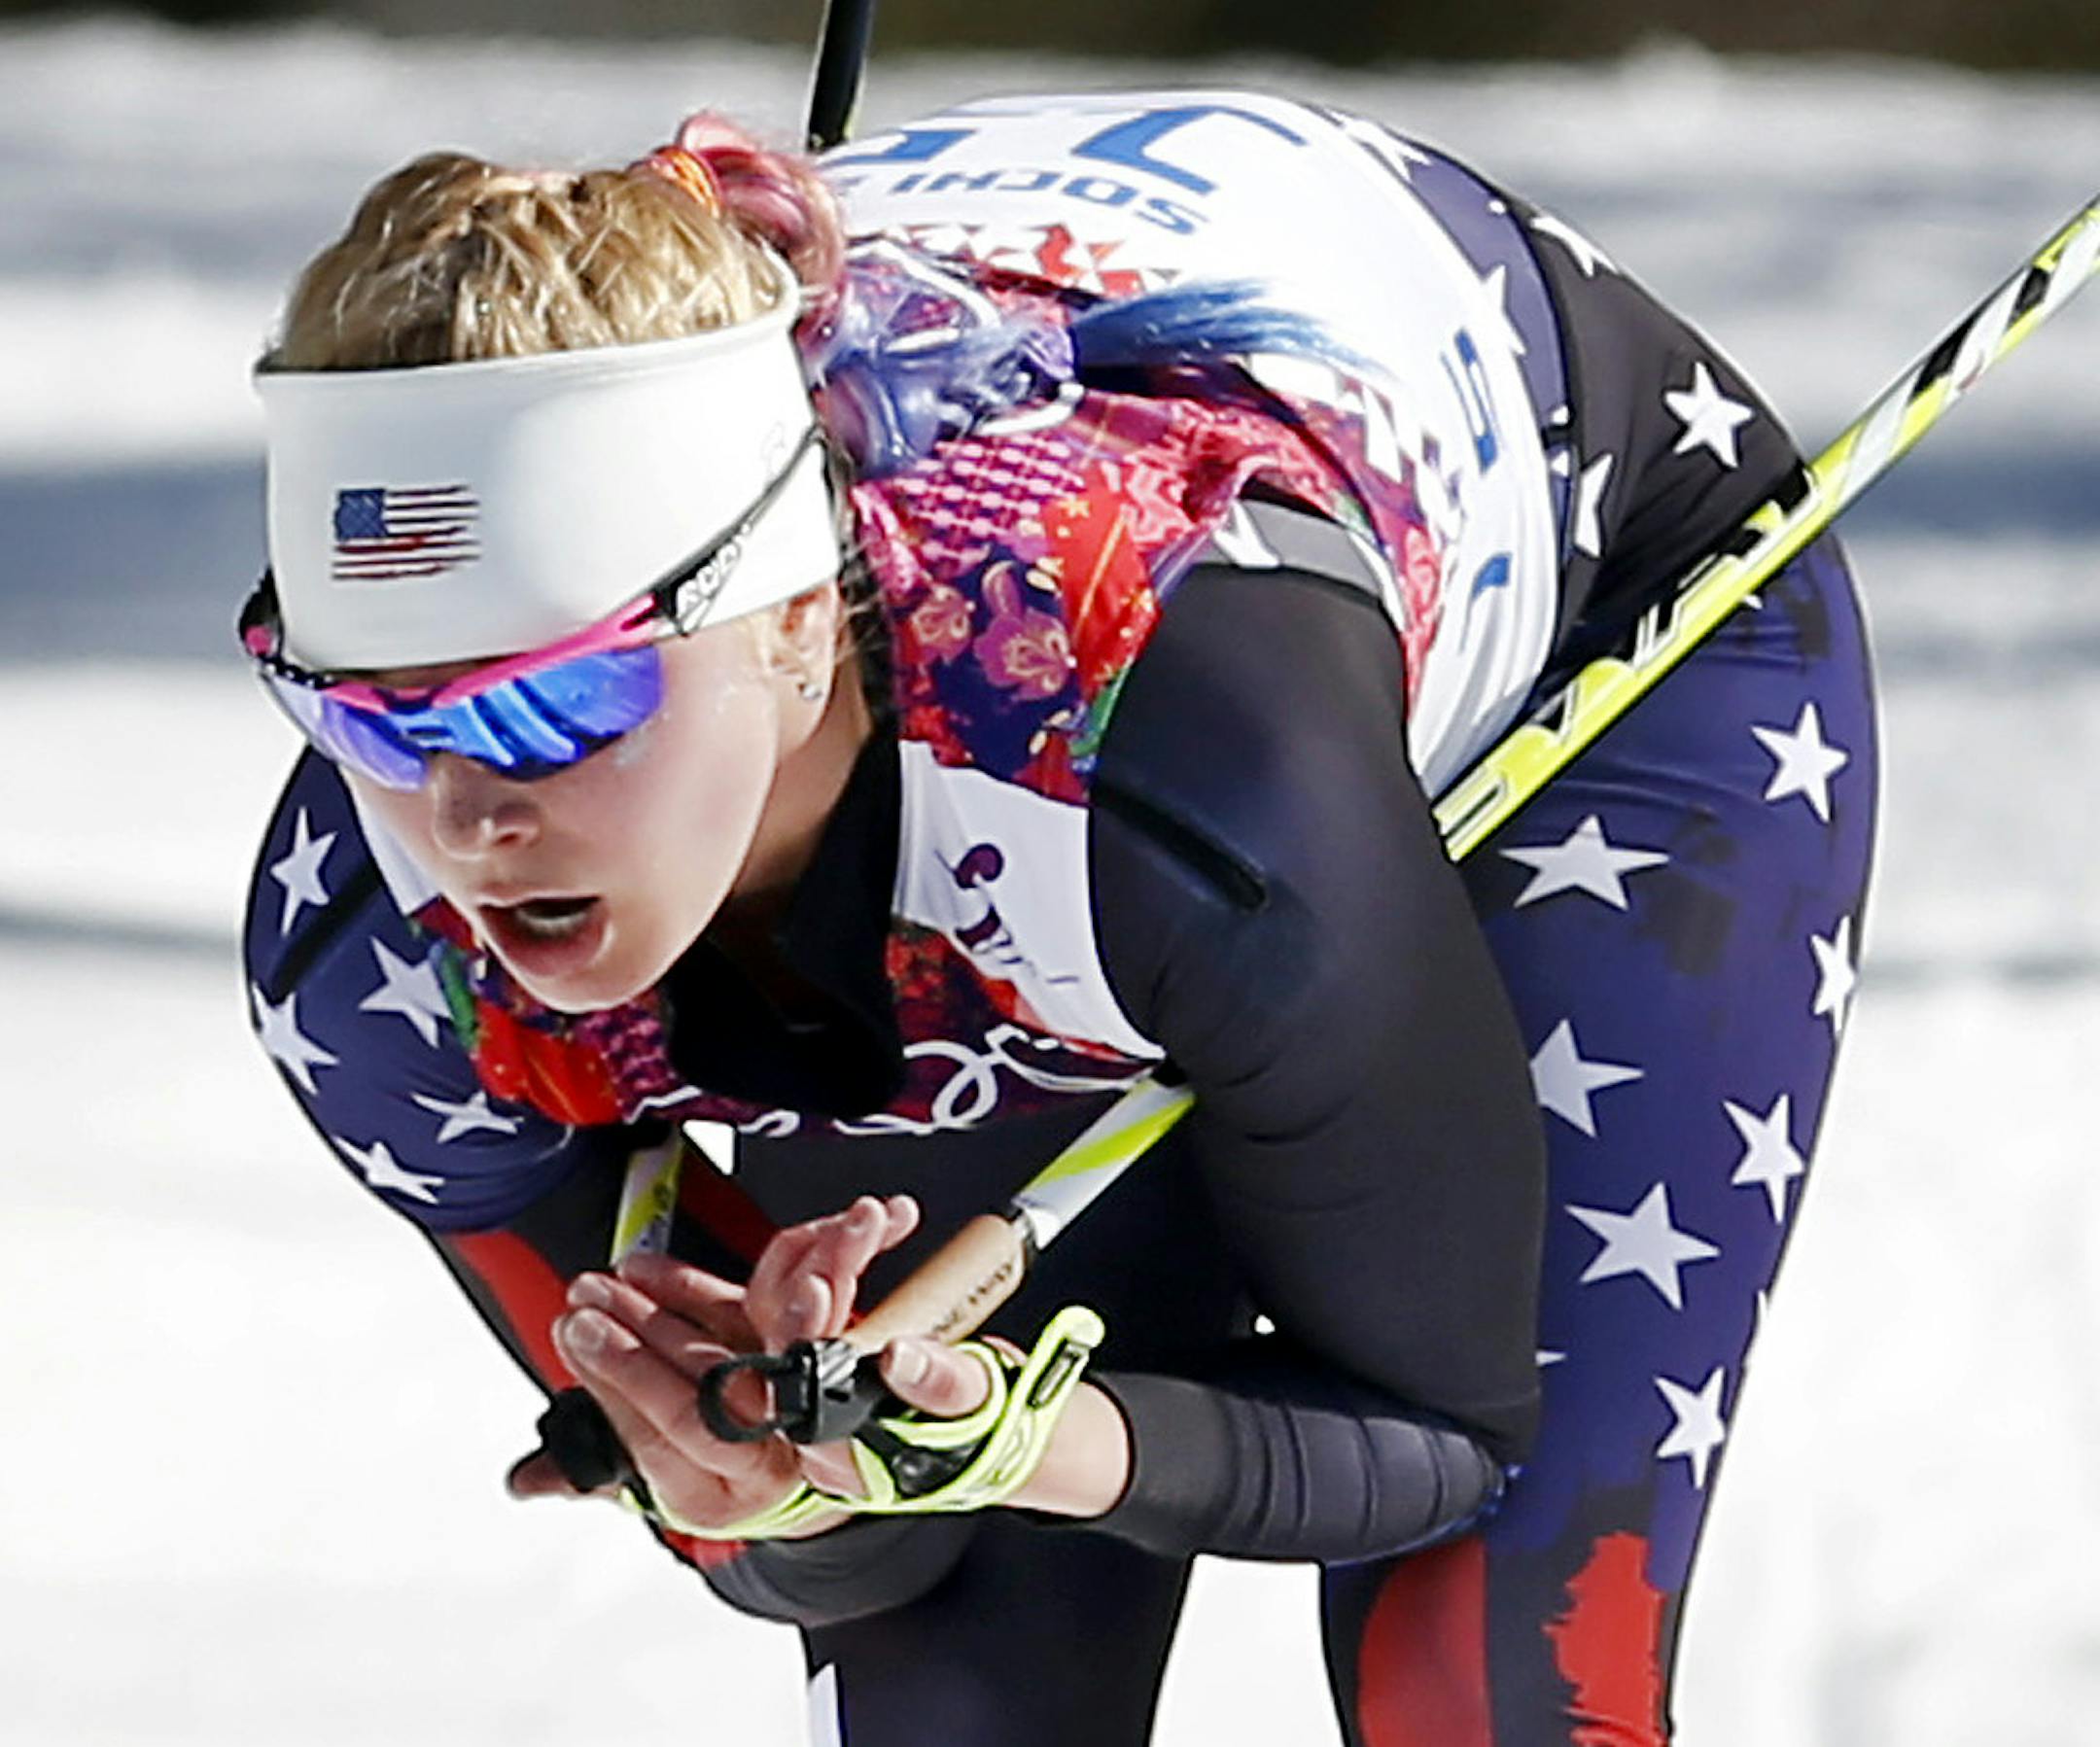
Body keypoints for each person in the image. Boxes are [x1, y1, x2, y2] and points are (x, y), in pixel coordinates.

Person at [240, 90, 1875, 1746]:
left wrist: (1052, 1442)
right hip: (1014, 822)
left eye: (550, 710)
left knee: (1480, 1684)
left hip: (1606, 606)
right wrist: (797, 1479)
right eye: (368, 719)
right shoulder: (381, 962)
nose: (464, 820)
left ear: (796, 623)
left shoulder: (1197, 787)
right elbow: (800, 1546)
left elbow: (1441, 1433)